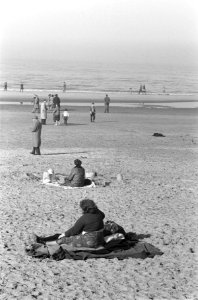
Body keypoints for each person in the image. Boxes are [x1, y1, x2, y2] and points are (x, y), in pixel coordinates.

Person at [34, 199, 105, 248]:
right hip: (100, 237)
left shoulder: (84, 218)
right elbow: (103, 215)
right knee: (59, 235)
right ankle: (43, 239)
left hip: (91, 240)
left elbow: (74, 230)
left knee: (63, 239)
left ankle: (45, 243)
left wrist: (64, 234)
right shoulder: (99, 214)